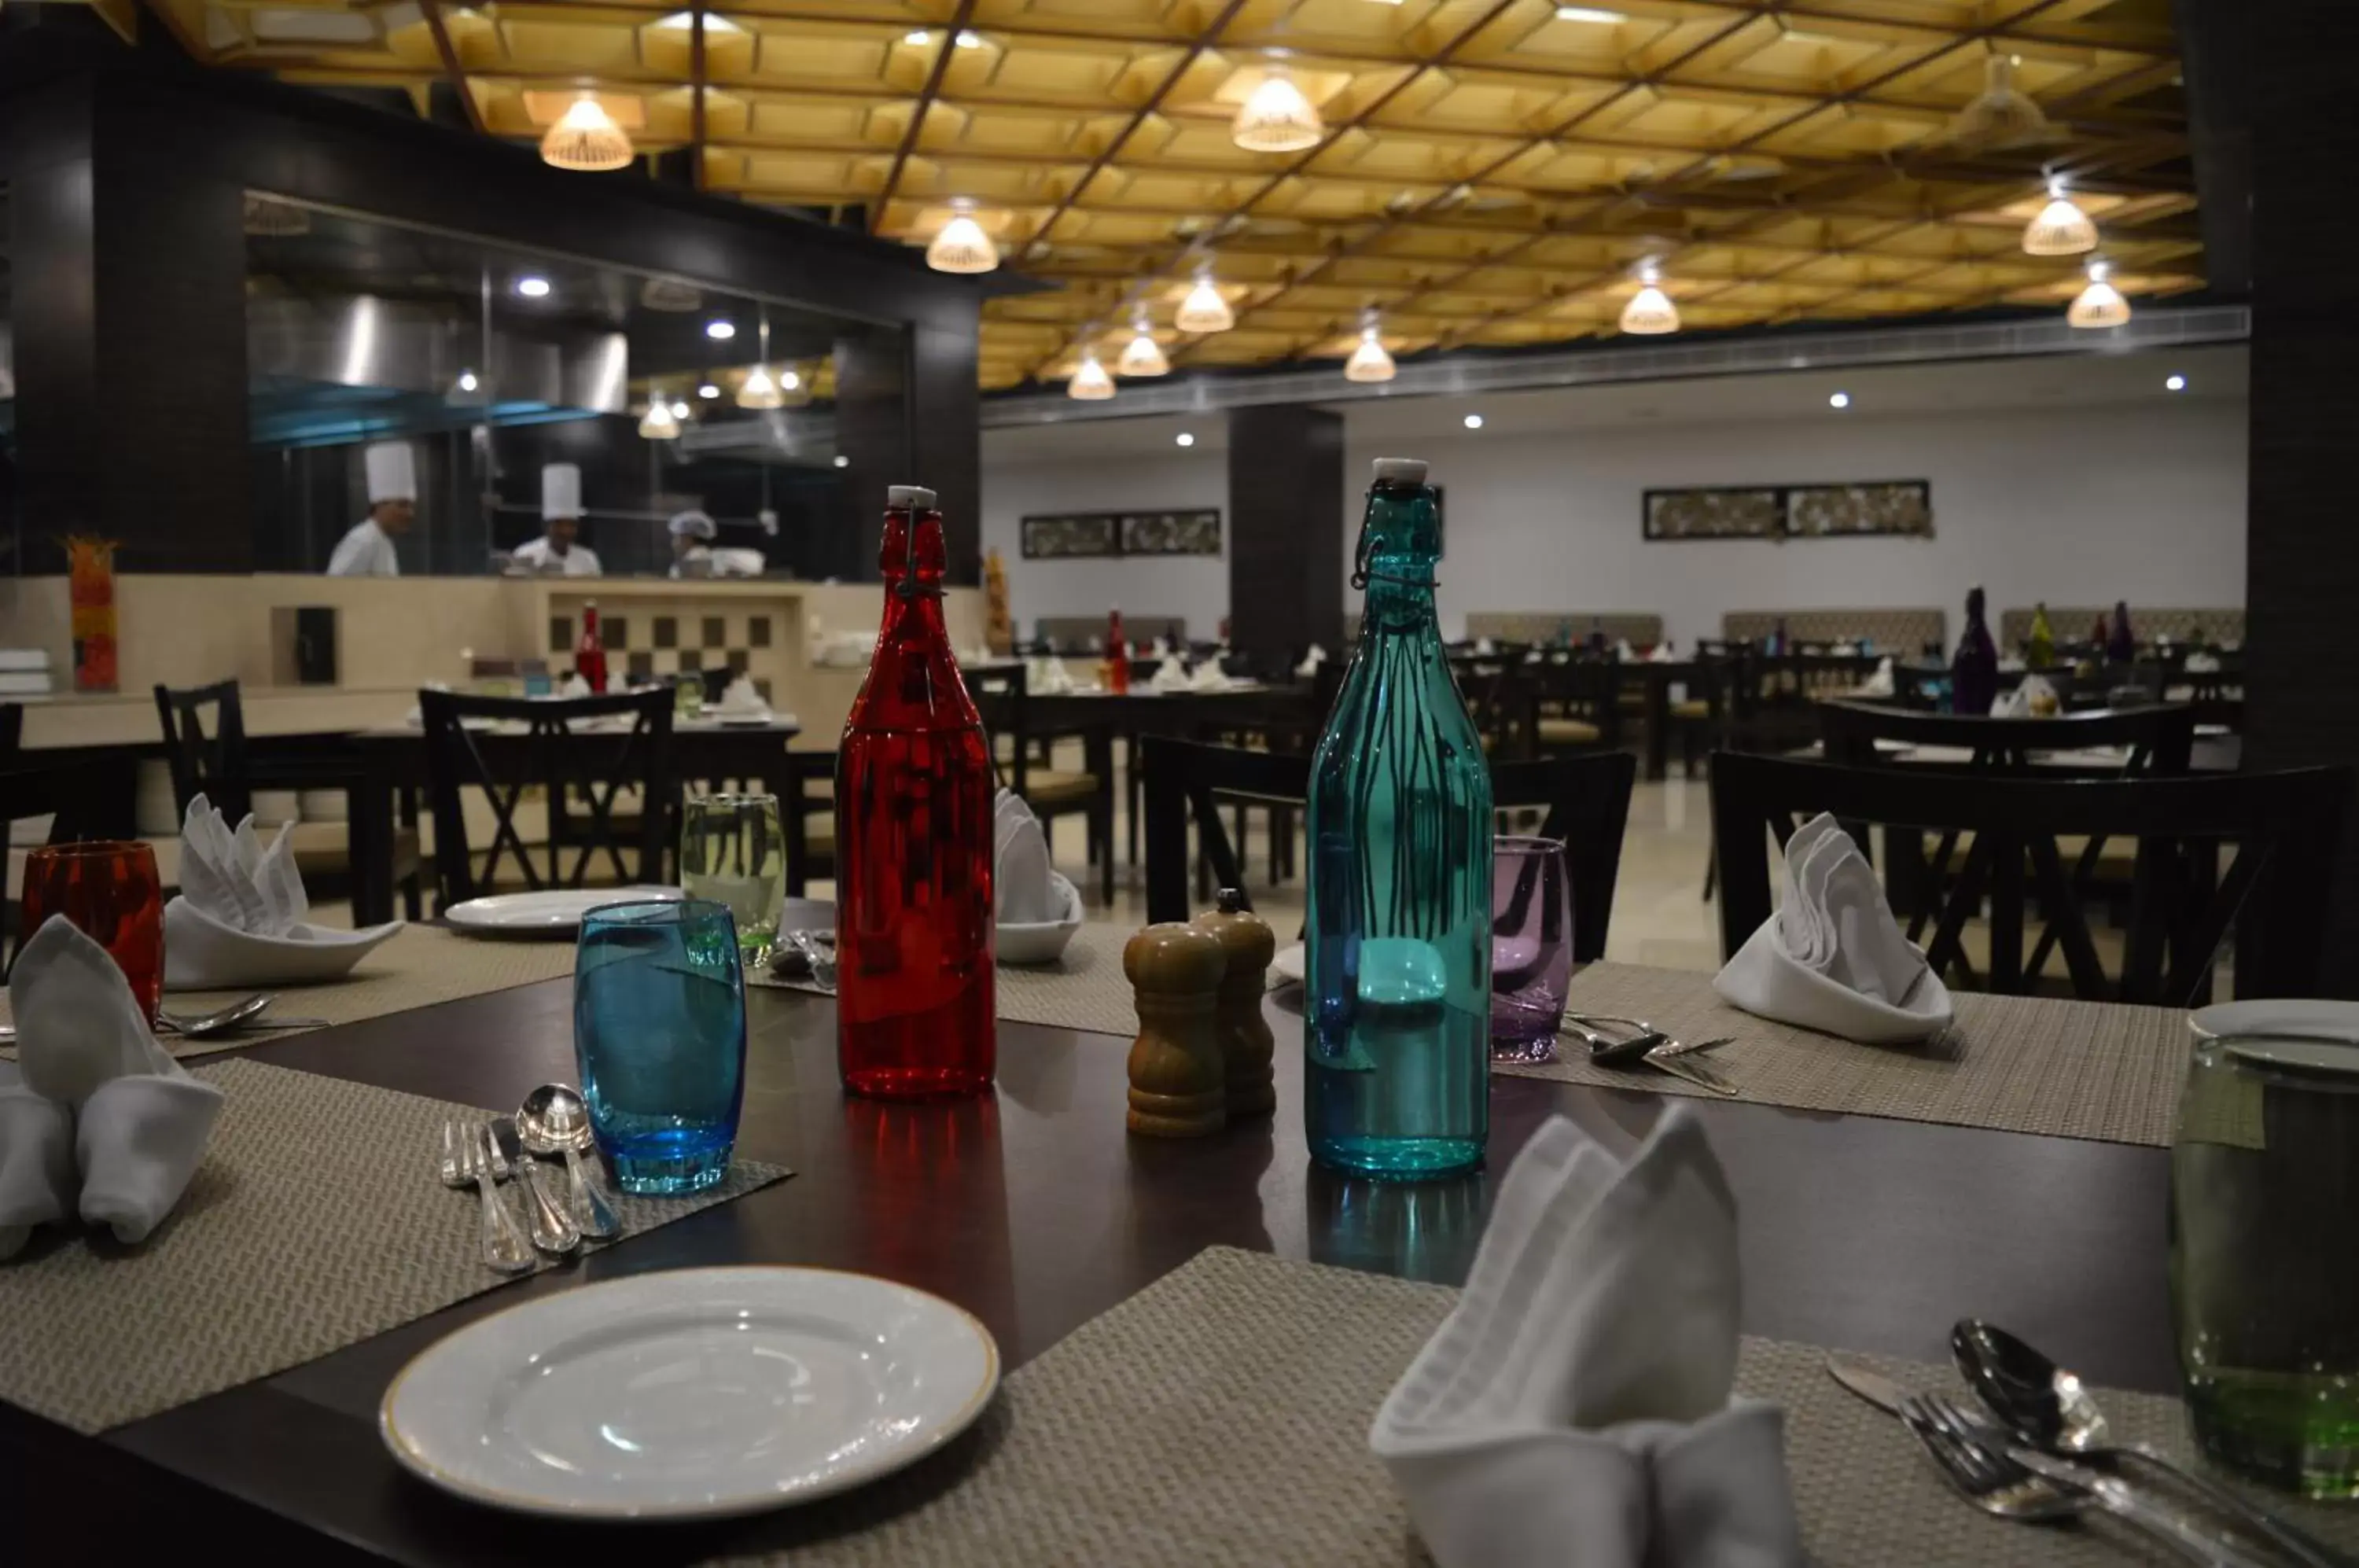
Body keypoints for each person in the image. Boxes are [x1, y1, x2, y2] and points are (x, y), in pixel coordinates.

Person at [327, 441, 414, 576]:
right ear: (380, 505)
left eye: (411, 506)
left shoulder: (383, 541)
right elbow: (334, 588)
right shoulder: (362, 540)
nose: (410, 513)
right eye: (402, 505)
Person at [509, 463, 602, 576]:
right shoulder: (526, 555)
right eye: (558, 524)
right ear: (546, 526)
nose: (565, 530)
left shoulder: (588, 560)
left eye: (571, 525)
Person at [668, 508, 717, 578]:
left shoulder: (696, 558)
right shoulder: (688, 557)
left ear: (689, 538)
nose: (674, 541)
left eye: (678, 536)